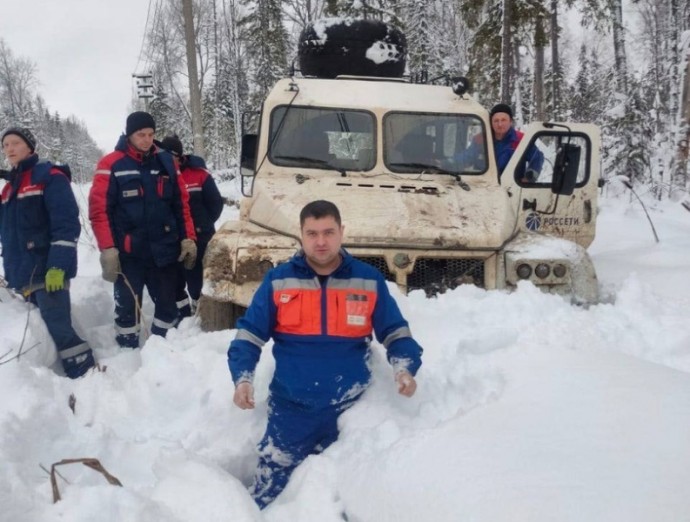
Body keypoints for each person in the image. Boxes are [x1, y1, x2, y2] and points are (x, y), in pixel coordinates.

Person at [228, 199, 423, 508]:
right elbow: (249, 336)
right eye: (312, 233)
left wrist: (404, 367)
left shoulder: (368, 280)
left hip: (350, 412)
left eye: (328, 232)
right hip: (291, 411)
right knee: (268, 497)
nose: (321, 241)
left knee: (345, 498)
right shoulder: (278, 281)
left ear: (341, 232)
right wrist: (243, 378)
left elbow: (396, 332)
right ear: (301, 236)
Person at [88, 112, 197, 348]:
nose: (147, 140)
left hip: (164, 251)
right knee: (127, 308)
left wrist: (188, 238)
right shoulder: (111, 164)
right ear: (129, 135)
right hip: (129, 254)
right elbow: (99, 211)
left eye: (151, 134)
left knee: (167, 307)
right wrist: (108, 249)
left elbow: (182, 204)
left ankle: (161, 349)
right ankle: (127, 350)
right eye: (141, 135)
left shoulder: (166, 161)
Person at [0, 127, 95, 378]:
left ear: (30, 147)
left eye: (15, 143)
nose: (9, 149)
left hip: (46, 269)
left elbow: (66, 225)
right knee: (41, 325)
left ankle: (85, 373)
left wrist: (58, 267)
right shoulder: (8, 190)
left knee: (59, 327)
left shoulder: (50, 177)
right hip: (21, 274)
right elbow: (8, 234)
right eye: (5, 144)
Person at [160, 135, 223, 318]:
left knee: (198, 274)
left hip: (201, 235)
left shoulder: (199, 174)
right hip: (172, 236)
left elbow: (215, 203)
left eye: (174, 158)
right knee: (176, 278)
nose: (172, 162)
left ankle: (201, 305)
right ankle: (183, 311)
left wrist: (203, 224)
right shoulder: (160, 175)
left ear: (180, 157)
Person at [456, 103, 544, 180]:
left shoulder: (521, 140)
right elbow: (466, 157)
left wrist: (528, 178)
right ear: (491, 123)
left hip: (511, 189)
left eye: (503, 120)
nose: (500, 124)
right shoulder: (480, 139)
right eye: (496, 121)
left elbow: (537, 158)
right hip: (485, 187)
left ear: (510, 121)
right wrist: (447, 164)